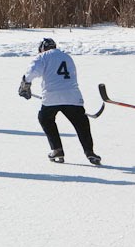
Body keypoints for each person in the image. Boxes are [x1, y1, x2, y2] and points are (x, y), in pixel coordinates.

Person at [19, 38, 101, 166]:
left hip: (51, 96)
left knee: (45, 118)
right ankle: (90, 152)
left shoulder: (42, 56)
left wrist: (25, 86)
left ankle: (57, 149)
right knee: (81, 124)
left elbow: (31, 72)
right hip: (73, 96)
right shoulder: (67, 57)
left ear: (42, 48)